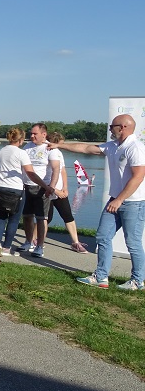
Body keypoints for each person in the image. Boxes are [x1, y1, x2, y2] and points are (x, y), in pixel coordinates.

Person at [49, 114, 145, 290]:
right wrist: (59, 145)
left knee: (133, 243)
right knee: (102, 237)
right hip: (114, 200)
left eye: (112, 126)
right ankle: (101, 277)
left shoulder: (135, 148)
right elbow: (86, 148)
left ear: (122, 127)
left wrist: (120, 199)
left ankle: (138, 281)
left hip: (133, 203)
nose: (110, 129)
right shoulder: (113, 146)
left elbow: (138, 176)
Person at [0, 128, 53, 257]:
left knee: (0, 217)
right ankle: (6, 248)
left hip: (0, 187)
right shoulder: (21, 153)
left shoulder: (2, 151)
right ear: (20, 140)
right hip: (16, 189)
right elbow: (31, 173)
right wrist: (45, 186)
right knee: (13, 219)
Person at [44, 132, 90, 254]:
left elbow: (63, 171)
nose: (63, 146)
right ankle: (35, 240)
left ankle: (76, 242)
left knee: (68, 216)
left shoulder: (59, 153)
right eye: (61, 143)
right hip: (47, 189)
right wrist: (55, 190)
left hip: (60, 190)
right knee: (45, 218)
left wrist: (65, 187)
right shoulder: (45, 152)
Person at [20, 123, 61, 257]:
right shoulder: (27, 147)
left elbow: (56, 169)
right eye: (31, 133)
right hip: (26, 185)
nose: (32, 136)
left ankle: (39, 246)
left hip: (43, 187)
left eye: (35, 134)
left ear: (44, 134)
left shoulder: (50, 149)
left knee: (41, 218)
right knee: (27, 216)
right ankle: (28, 241)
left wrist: (51, 187)